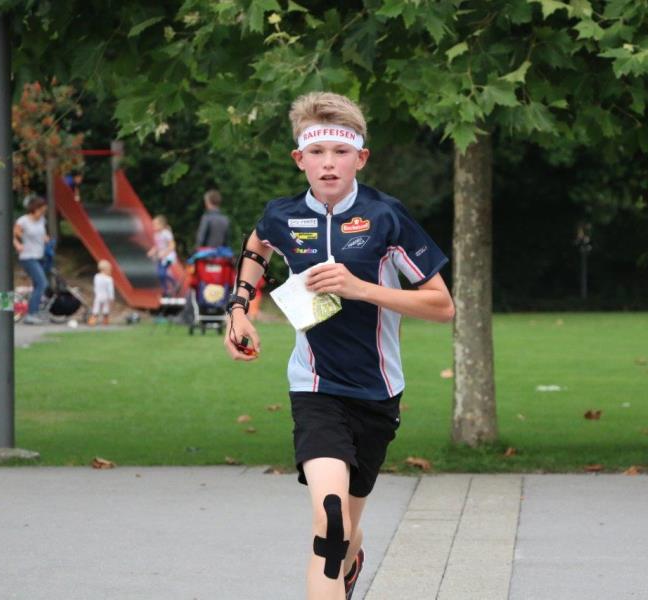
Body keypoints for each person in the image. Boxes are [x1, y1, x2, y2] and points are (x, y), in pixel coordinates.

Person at [223, 92, 455, 600]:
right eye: (317, 152)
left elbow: (442, 306)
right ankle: (341, 558)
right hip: (315, 387)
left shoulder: (386, 217)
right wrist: (238, 308)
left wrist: (360, 288)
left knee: (344, 533)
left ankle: (352, 558)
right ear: (299, 158)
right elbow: (257, 244)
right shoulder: (283, 215)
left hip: (377, 394)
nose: (328, 163)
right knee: (329, 525)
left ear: (361, 158)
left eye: (340, 151)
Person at [14, 195, 50, 325]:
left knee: (37, 285)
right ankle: (31, 313)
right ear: (35, 209)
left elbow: (43, 234)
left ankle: (35, 311)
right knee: (42, 283)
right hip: (28, 257)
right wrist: (18, 244)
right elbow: (13, 234)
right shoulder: (23, 221)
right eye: (41, 210)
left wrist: (46, 239)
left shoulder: (42, 220)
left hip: (39, 256)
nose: (42, 213)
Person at [147, 215, 177, 295]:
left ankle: (173, 283)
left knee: (162, 273)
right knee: (159, 274)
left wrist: (165, 253)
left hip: (168, 257)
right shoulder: (156, 235)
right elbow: (158, 246)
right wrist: (152, 251)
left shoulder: (166, 233)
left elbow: (172, 245)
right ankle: (165, 290)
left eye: (155, 225)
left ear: (161, 225)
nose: (153, 226)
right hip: (161, 257)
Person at [89, 259, 115, 326]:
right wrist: (111, 298)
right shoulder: (108, 279)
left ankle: (92, 320)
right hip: (105, 296)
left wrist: (96, 293)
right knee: (106, 308)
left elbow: (95, 287)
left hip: (98, 295)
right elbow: (110, 290)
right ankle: (105, 320)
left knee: (96, 308)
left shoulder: (96, 277)